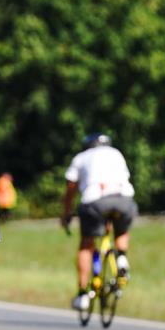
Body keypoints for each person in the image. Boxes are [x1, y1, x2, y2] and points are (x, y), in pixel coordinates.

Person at [60, 133, 137, 311]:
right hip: (124, 199)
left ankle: (82, 295)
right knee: (121, 230)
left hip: (95, 201)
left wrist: (66, 213)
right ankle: (122, 259)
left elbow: (71, 188)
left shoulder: (81, 157)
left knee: (86, 245)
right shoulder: (117, 153)